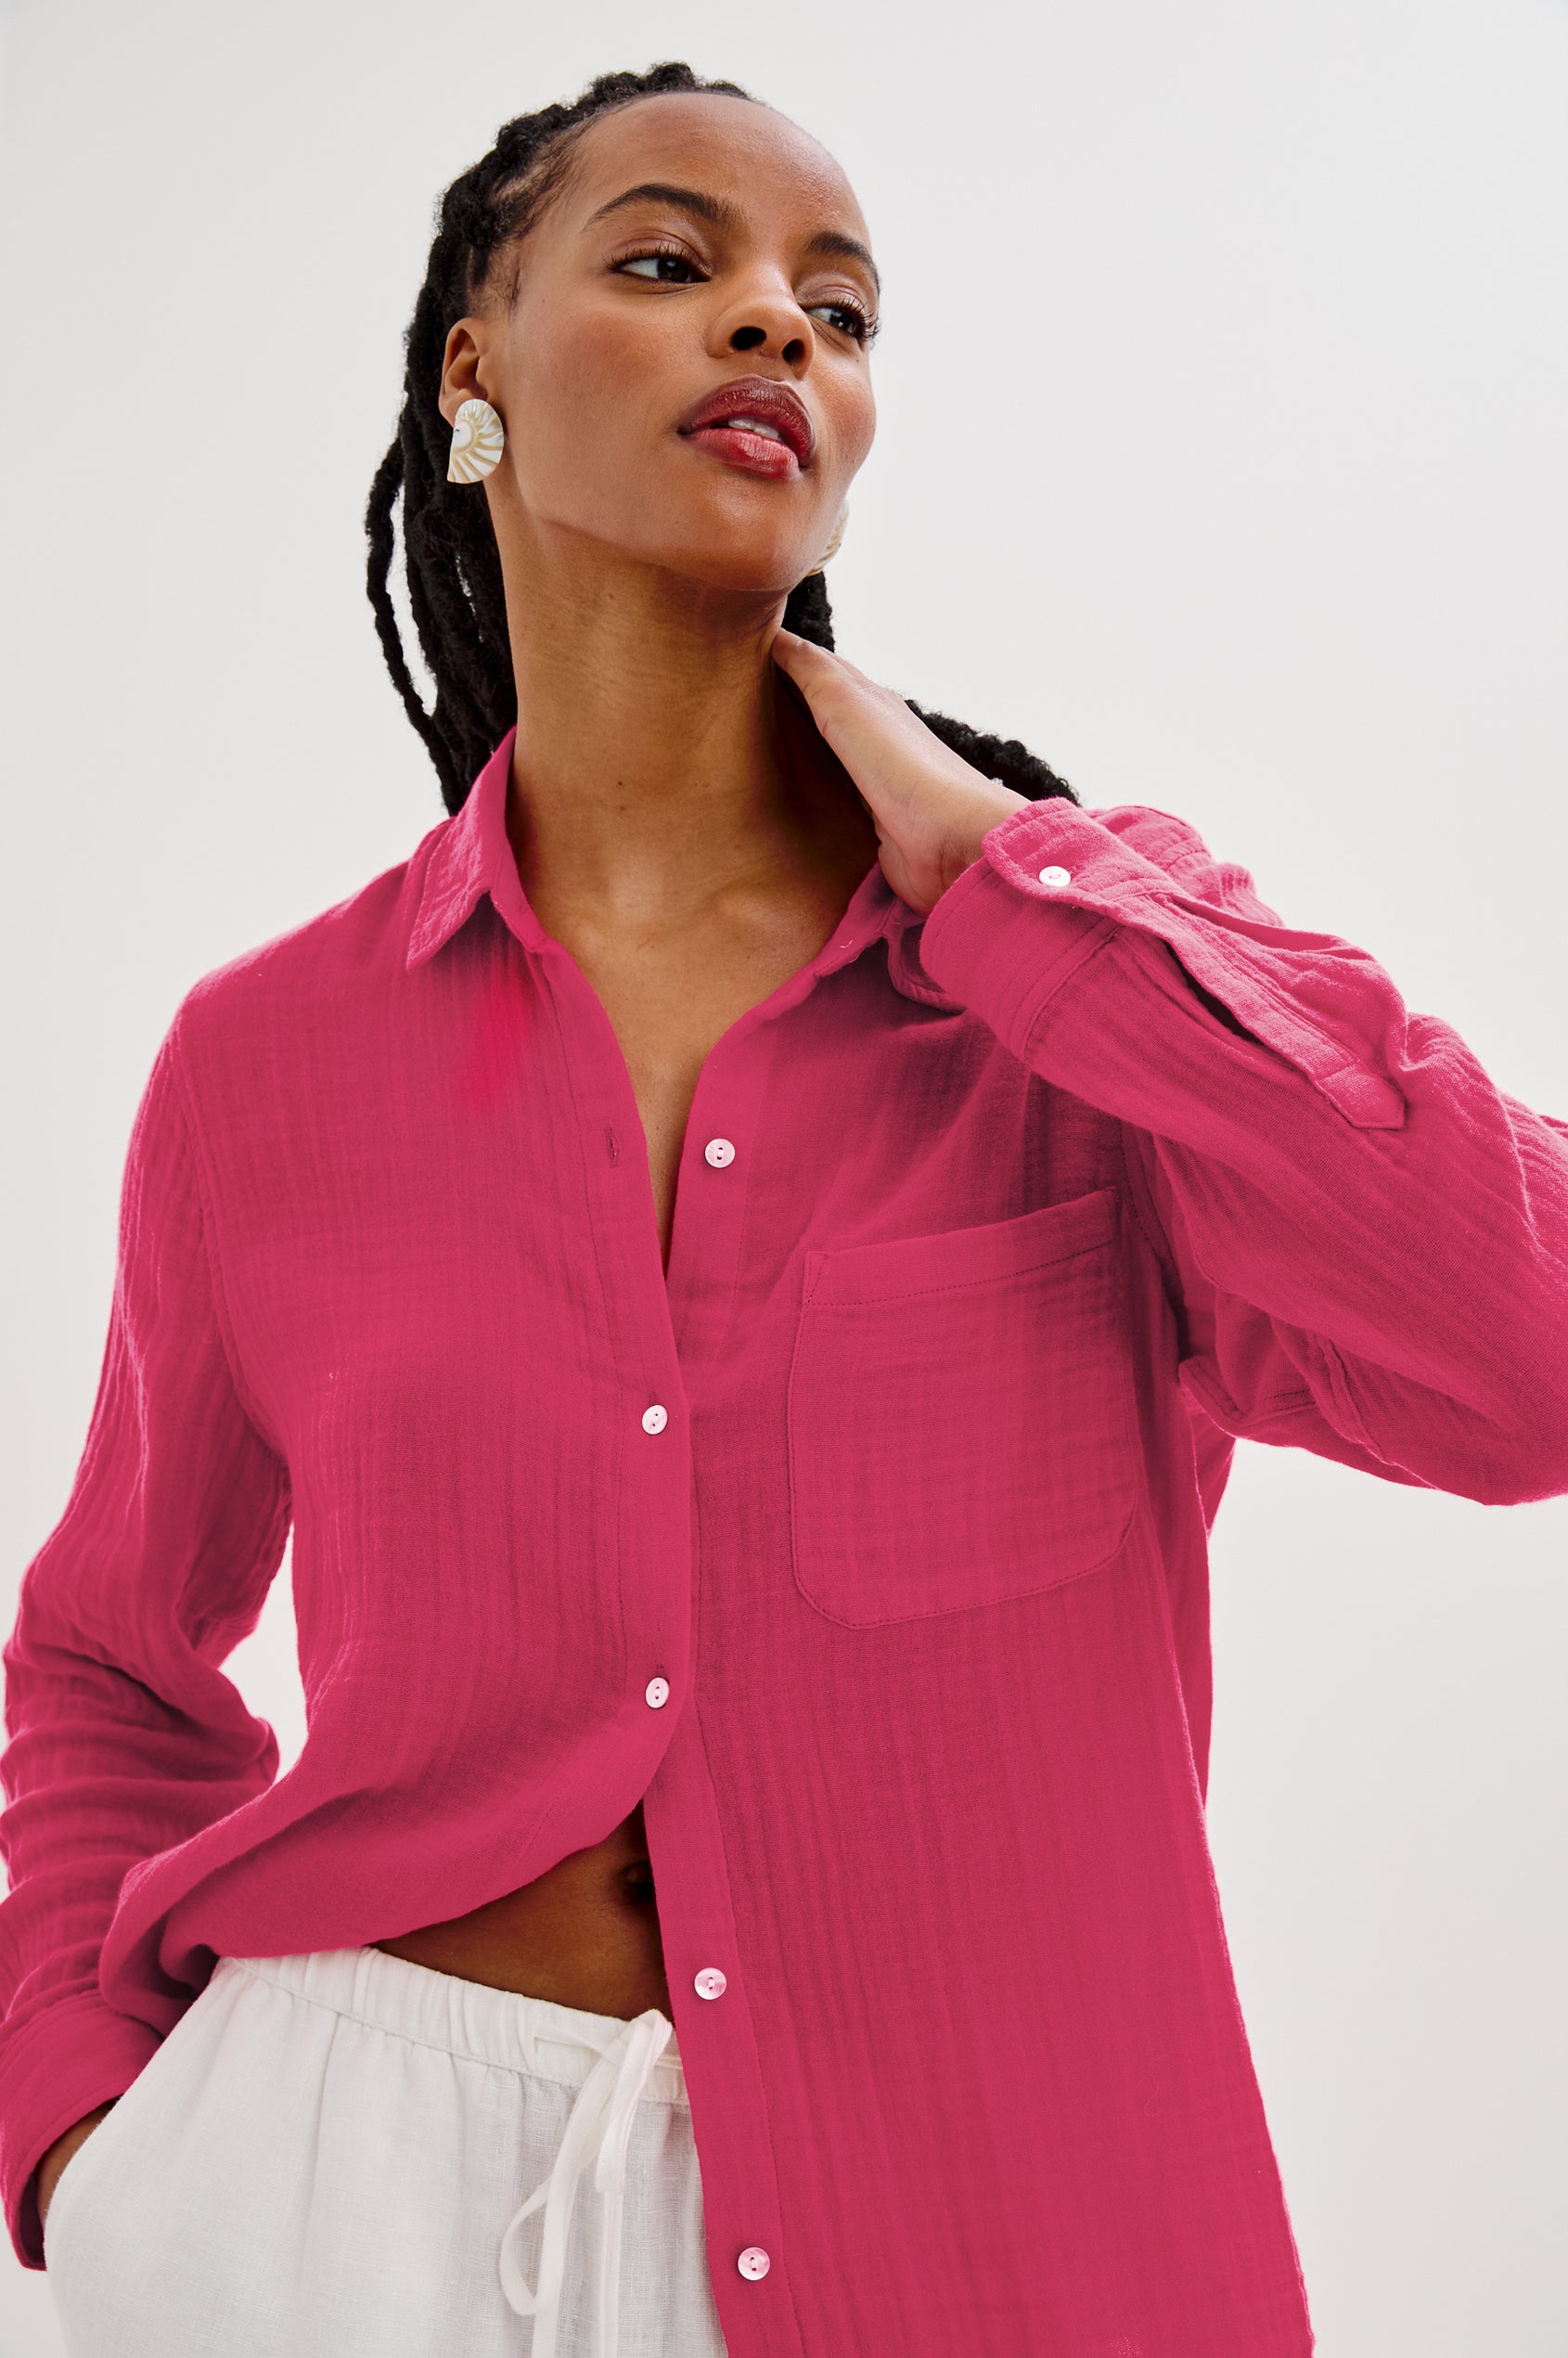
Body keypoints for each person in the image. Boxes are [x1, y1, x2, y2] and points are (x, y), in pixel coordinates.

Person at [4, 56, 1565, 2358]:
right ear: (472, 372)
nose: (774, 327)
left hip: (984, 2238)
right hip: (334, 2205)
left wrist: (1031, 887)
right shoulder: (266, 1061)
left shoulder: (1074, 1017)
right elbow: (111, 1654)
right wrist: (84, 2130)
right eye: (671, 262)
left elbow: (1529, 1357)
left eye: (836, 311)